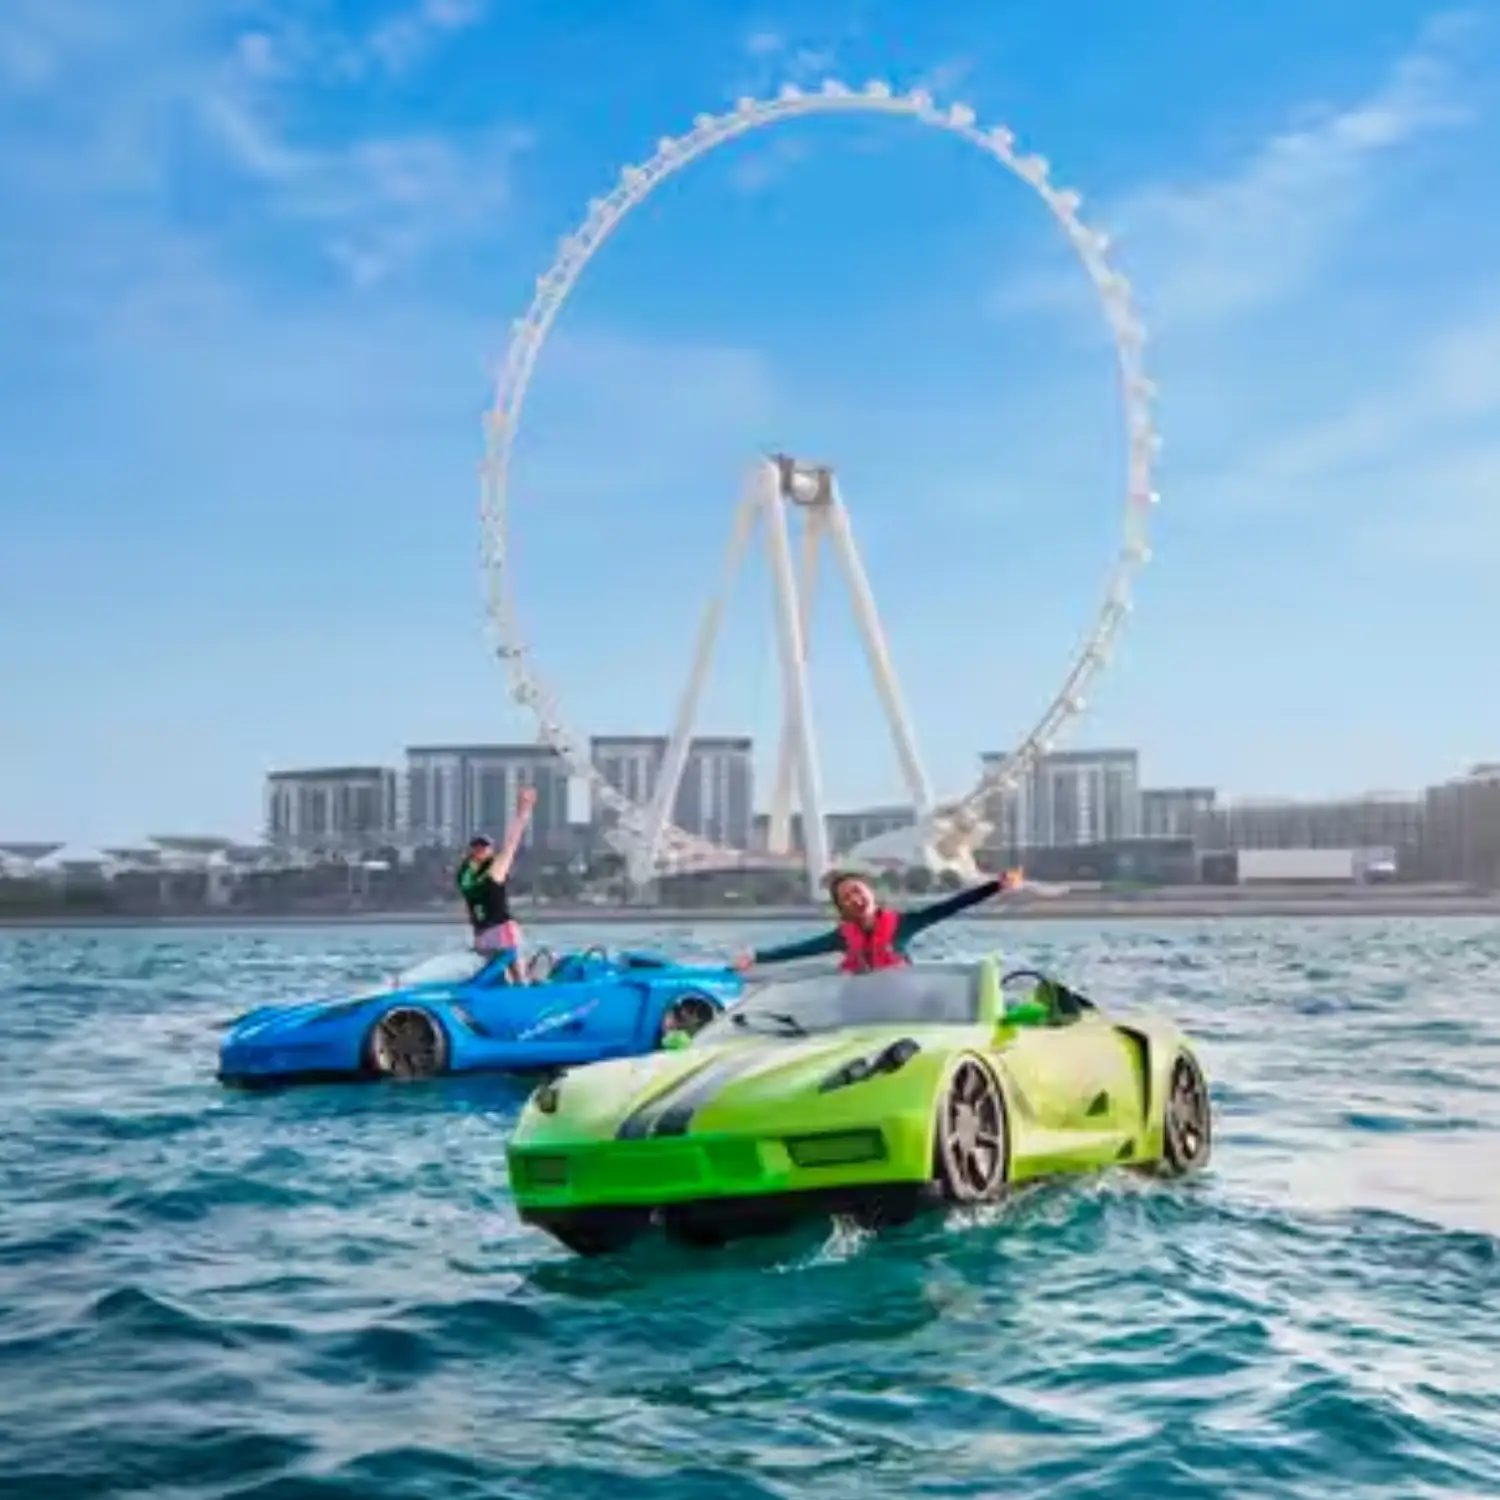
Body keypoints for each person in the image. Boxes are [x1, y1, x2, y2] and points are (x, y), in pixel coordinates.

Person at [733, 867, 1025, 975]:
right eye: (846, 897)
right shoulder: (841, 937)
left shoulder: (905, 923)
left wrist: (996, 886)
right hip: (862, 1005)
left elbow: (950, 906)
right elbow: (798, 949)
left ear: (871, 894)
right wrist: (755, 956)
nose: (855, 899)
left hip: (900, 998)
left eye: (858, 891)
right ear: (842, 909)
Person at [456, 786, 536, 982]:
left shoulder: (496, 868)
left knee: (517, 975)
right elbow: (472, 906)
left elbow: (512, 842)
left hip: (501, 928)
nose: (480, 850)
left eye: (484, 847)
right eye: (476, 847)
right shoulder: (466, 874)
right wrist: (476, 933)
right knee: (497, 979)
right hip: (483, 932)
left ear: (490, 850)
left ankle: (526, 991)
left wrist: (523, 812)